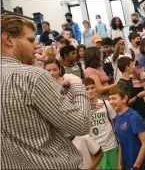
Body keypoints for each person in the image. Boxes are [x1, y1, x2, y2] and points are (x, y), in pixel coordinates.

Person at [1, 14, 91, 169]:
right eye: (30, 40)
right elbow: (81, 125)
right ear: (8, 39)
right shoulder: (32, 77)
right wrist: (77, 85)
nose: (36, 45)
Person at [108, 83, 145, 170]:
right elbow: (121, 142)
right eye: (109, 99)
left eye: (114, 98)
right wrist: (119, 164)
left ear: (124, 98)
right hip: (126, 165)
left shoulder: (134, 116)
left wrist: (136, 166)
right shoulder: (117, 118)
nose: (110, 102)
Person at [82, 77, 118, 169]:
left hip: (111, 145)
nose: (90, 91)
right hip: (95, 149)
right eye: (87, 89)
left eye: (92, 87)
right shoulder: (81, 108)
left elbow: (114, 122)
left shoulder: (106, 104)